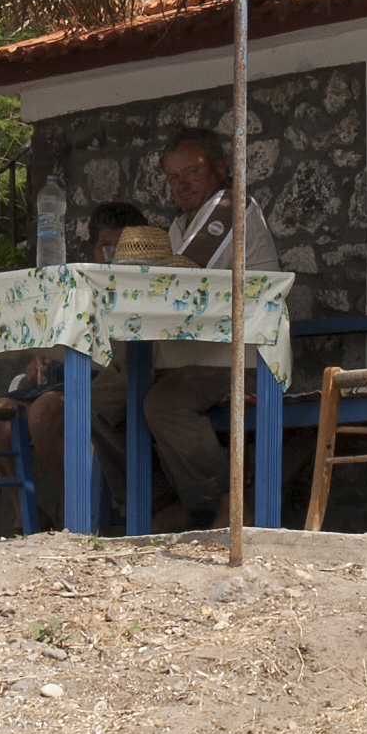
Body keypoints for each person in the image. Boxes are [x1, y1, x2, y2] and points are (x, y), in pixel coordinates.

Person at [87, 128, 281, 532]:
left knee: (163, 404)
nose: (182, 184)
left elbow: (181, 280)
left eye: (191, 172)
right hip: (184, 355)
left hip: (238, 355)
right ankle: (161, 502)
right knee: (95, 402)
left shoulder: (231, 210)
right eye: (173, 177)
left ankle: (229, 496)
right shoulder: (179, 227)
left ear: (221, 168)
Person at [16, 202, 151, 528]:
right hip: (60, 377)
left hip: (101, 381)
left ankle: (73, 514)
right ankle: (29, 517)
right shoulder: (77, 283)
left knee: (45, 411)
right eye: (105, 246)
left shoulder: (146, 287)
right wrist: (38, 354)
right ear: (93, 246)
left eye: (121, 248)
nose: (111, 255)